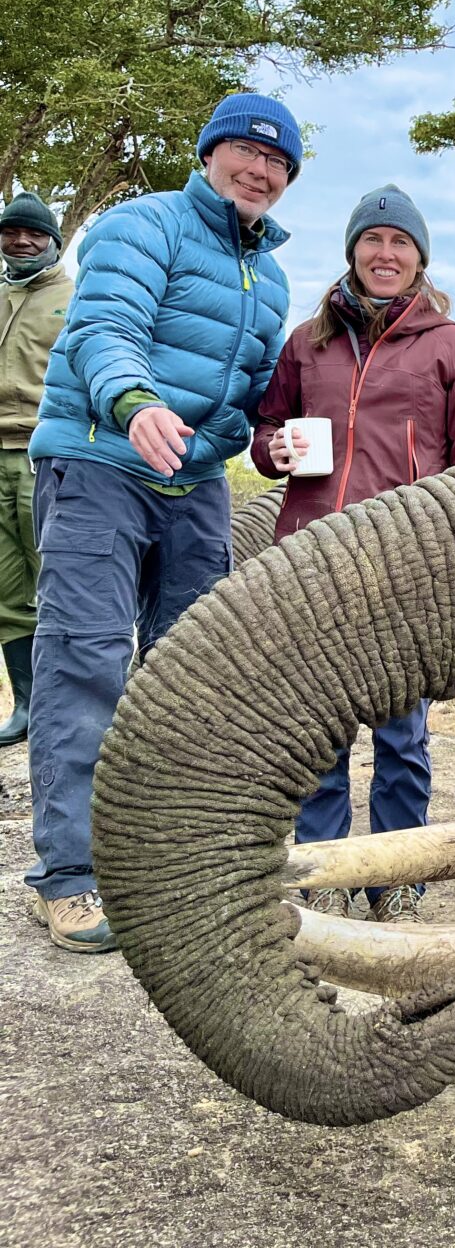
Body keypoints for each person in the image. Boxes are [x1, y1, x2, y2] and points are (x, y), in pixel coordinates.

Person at [25, 92, 299, 952]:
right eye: (246, 154)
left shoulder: (273, 275)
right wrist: (133, 400)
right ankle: (70, 877)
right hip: (103, 461)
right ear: (210, 153)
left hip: (197, 481)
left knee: (192, 670)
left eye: (278, 163)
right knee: (86, 658)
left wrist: (270, 442)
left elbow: (248, 398)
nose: (260, 171)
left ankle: (168, 852)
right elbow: (102, 327)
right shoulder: (143, 224)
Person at [251, 183, 455, 923]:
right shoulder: (309, 342)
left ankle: (397, 876)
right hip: (313, 558)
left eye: (400, 243)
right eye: (373, 241)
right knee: (320, 729)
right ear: (353, 251)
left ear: (419, 258)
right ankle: (323, 871)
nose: (384, 254)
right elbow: (266, 436)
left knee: (402, 732)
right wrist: (278, 447)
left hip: (405, 563)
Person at [0, 192, 75, 747]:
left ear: (53, 240)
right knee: (6, 591)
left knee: (61, 582)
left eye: (33, 233)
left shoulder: (73, 297)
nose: (21, 241)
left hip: (43, 454)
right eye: (11, 232)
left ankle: (65, 709)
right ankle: (25, 706)